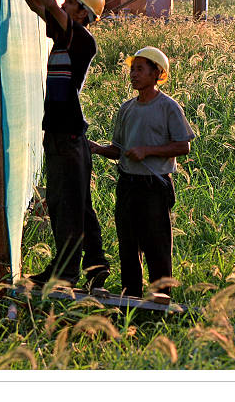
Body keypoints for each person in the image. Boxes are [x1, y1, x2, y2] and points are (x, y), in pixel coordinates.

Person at [6, 0, 110, 290]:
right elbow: (38, 5)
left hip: (65, 135)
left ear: (82, 13)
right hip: (63, 134)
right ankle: (94, 268)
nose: (63, 5)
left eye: (71, 3)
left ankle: (66, 273)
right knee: (76, 204)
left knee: (67, 205)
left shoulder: (80, 39)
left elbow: (48, 2)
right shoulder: (64, 34)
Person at [90, 47, 195, 299]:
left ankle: (160, 300)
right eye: (132, 69)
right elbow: (119, 150)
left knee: (157, 246)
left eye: (140, 69)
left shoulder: (168, 107)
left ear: (157, 74)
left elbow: (183, 146)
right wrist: (97, 149)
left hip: (155, 186)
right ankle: (131, 299)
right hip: (128, 185)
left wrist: (148, 151)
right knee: (128, 244)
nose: (133, 74)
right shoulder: (126, 109)